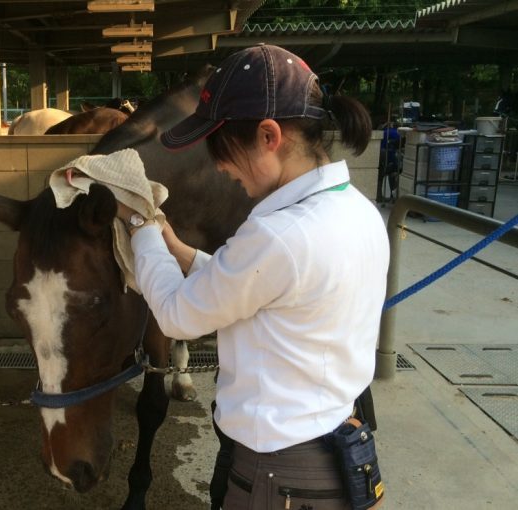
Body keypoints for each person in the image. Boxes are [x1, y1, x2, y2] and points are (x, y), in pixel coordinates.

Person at [117, 44, 390, 509]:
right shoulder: (355, 210)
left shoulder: (277, 234)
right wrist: (180, 250)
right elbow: (267, 292)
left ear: (268, 135)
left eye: (220, 149)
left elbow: (178, 316)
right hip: (334, 452)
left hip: (279, 474)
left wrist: (142, 225)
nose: (219, 166)